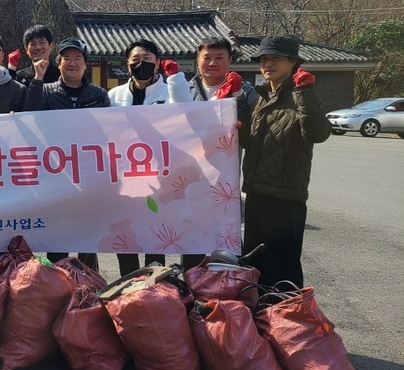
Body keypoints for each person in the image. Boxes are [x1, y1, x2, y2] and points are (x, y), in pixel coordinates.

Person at [240, 36, 330, 288]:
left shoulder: (302, 93)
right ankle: (260, 319)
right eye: (263, 59)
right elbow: (251, 141)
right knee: (255, 264)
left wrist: (305, 92)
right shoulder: (262, 98)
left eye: (275, 58)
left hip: (286, 195)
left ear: (292, 62)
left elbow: (318, 133)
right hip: (256, 192)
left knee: (283, 266)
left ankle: (287, 319)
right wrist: (238, 107)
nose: (267, 63)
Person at [25, 35, 110, 267]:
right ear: (59, 63)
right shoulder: (45, 91)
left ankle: (88, 282)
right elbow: (30, 114)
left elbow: (107, 134)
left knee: (88, 233)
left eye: (78, 58)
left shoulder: (99, 95)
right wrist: (38, 78)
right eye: (67, 58)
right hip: (55, 175)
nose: (72, 63)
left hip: (88, 174)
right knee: (57, 232)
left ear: (85, 64)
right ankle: (57, 283)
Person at [108, 39, 190, 276]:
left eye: (147, 60)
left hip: (160, 176)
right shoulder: (114, 95)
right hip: (125, 178)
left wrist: (176, 79)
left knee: (156, 234)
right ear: (127, 64)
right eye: (135, 60)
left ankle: (155, 291)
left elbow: (185, 115)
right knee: (126, 236)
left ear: (158, 64)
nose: (140, 64)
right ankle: (126, 288)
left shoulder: (169, 92)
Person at [183, 36, 256, 270]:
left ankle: (229, 289)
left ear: (230, 60)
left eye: (219, 58)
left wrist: (239, 100)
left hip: (227, 177)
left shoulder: (245, 90)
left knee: (227, 231)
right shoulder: (185, 90)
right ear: (197, 60)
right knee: (191, 232)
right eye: (207, 57)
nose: (212, 63)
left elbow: (256, 125)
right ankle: (192, 283)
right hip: (192, 175)